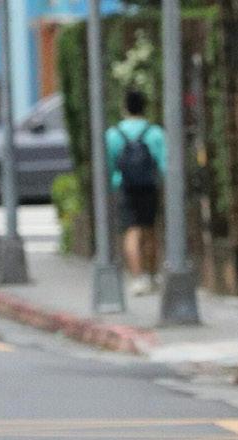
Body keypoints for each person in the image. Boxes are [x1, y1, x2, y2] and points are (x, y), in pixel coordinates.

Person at [105, 90, 166, 296]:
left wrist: (113, 184)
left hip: (125, 187)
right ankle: (152, 274)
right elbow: (164, 163)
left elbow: (109, 164)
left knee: (131, 231)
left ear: (125, 107)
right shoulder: (154, 132)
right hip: (149, 187)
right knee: (150, 230)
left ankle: (138, 277)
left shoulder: (114, 134)